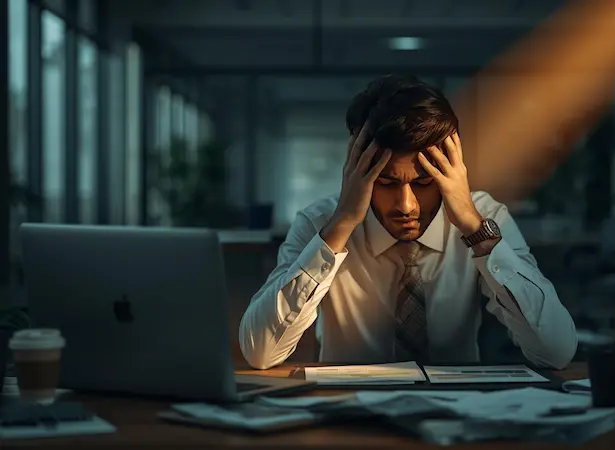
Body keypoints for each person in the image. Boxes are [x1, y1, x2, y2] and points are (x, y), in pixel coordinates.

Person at [239, 74, 577, 370]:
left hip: (456, 419)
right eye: (385, 183)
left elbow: (556, 352)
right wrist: (340, 227)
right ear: (357, 172)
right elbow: (260, 354)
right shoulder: (321, 222)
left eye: (423, 182)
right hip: (349, 415)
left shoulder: (485, 218)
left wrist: (477, 231)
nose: (406, 205)